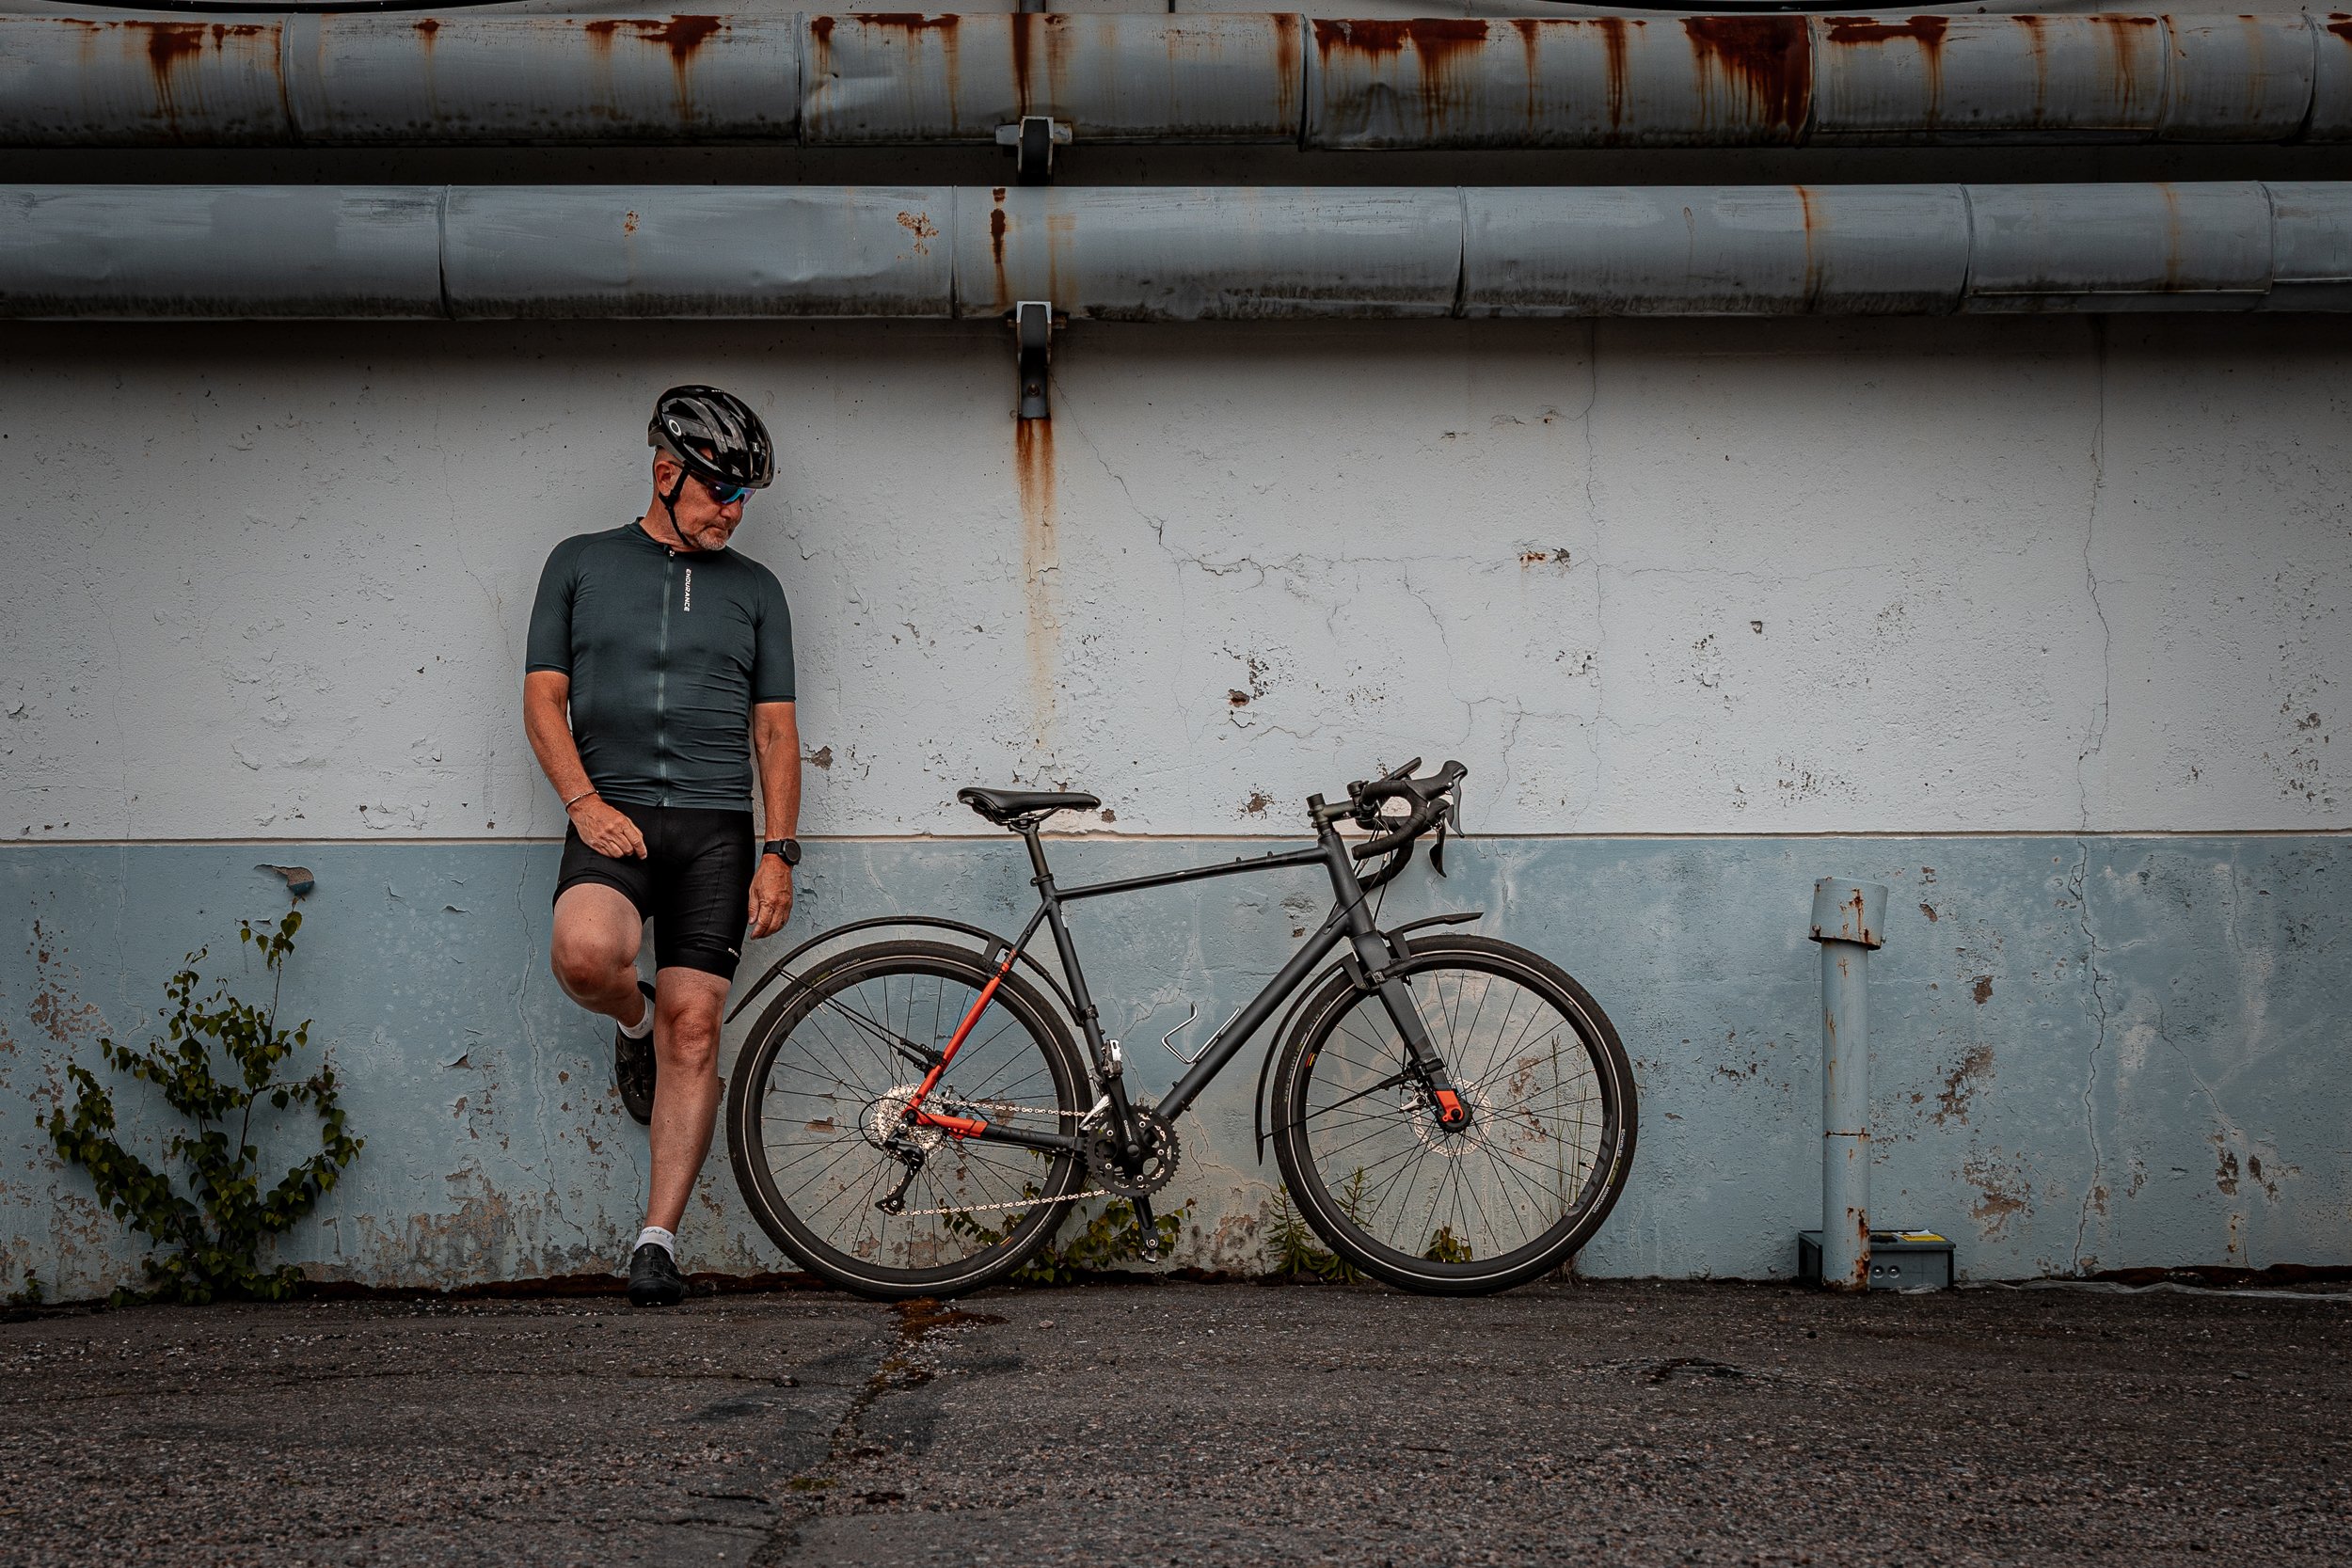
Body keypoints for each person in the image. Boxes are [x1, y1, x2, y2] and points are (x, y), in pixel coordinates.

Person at [522, 385, 802, 1307]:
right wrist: (583, 802)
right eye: (719, 487)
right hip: (614, 814)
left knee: (698, 1025)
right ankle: (628, 1019)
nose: (731, 507)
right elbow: (541, 700)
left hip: (716, 828)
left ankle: (655, 1240)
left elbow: (774, 734)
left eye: (744, 496)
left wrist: (779, 850)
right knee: (588, 953)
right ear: (665, 471)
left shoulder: (758, 591)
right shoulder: (579, 563)